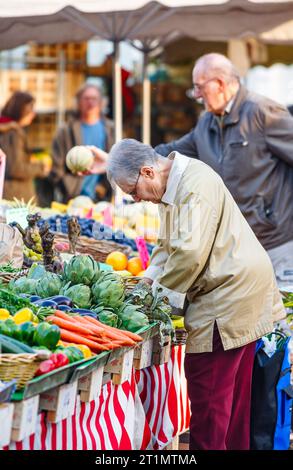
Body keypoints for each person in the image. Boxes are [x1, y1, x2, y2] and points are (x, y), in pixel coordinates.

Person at [104, 138, 285, 450]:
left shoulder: (193, 187)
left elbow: (188, 254)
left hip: (228, 298)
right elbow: (167, 245)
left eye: (132, 191)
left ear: (148, 172)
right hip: (242, 292)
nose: (135, 199)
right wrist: (147, 284)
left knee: (210, 404)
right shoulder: (177, 183)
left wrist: (156, 302)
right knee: (233, 409)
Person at [155, 53, 293, 287]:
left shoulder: (262, 112)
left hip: (276, 244)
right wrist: (118, 159)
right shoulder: (207, 123)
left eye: (199, 87)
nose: (196, 95)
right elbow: (168, 153)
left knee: (285, 322)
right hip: (238, 249)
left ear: (219, 83)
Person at [50, 83, 114, 203]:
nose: (90, 102)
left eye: (94, 98)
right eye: (86, 98)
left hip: (102, 198)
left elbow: (119, 162)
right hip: (72, 199)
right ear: (79, 102)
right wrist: (69, 187)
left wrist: (104, 187)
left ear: (101, 102)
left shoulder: (111, 130)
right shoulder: (65, 130)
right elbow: (56, 167)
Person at [0, 91, 50, 202]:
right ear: (20, 111)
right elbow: (15, 168)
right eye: (31, 109)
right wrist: (41, 168)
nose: (33, 114)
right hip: (15, 196)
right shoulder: (13, 133)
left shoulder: (6, 127)